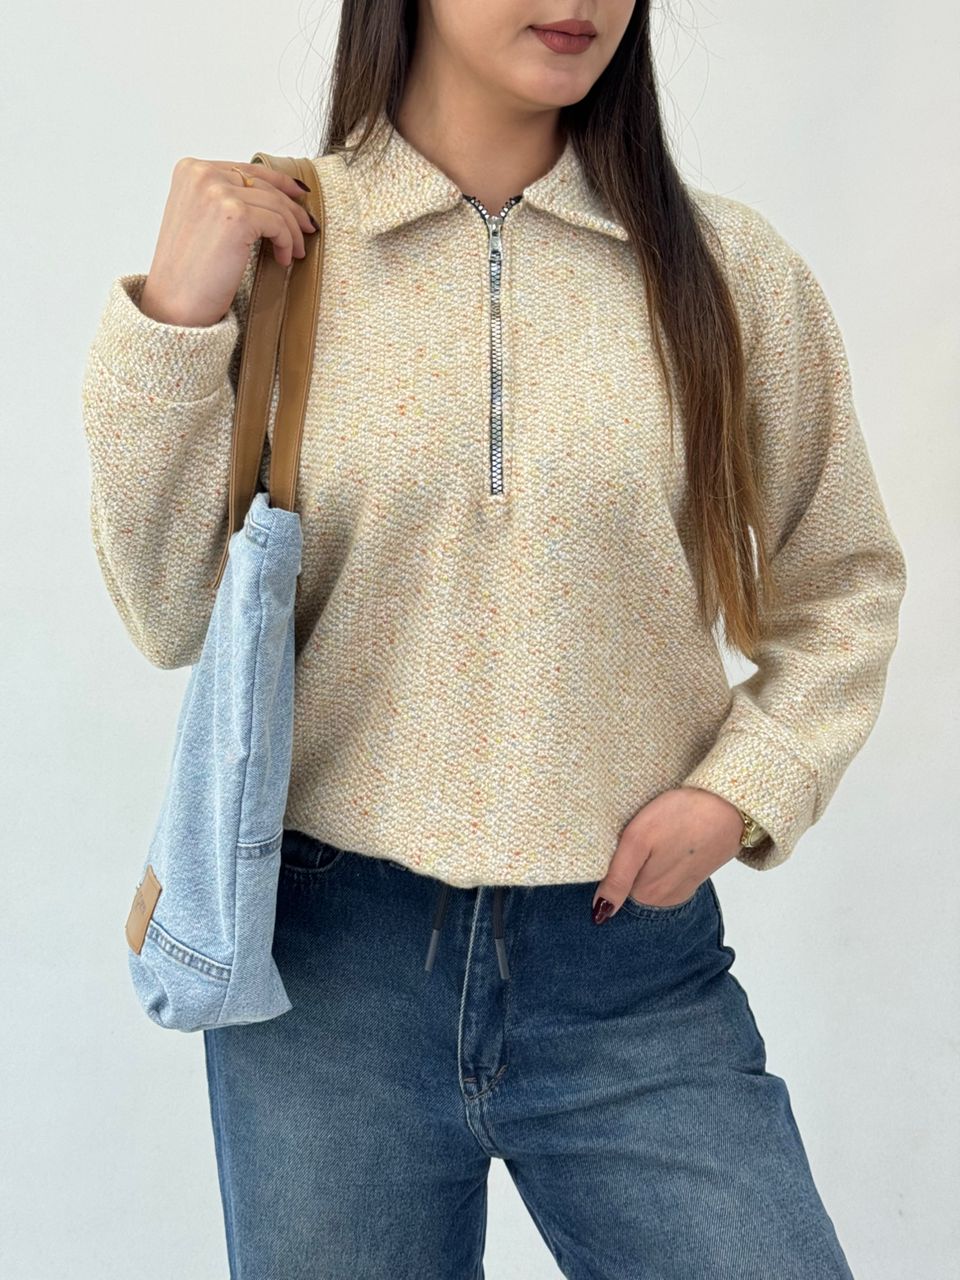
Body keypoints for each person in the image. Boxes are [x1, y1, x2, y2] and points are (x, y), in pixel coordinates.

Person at [81, 2, 907, 1276]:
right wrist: (176, 320)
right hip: (324, 976)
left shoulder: (728, 270)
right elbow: (165, 610)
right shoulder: (277, 249)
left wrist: (746, 786)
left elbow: (843, 580)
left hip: (630, 971)